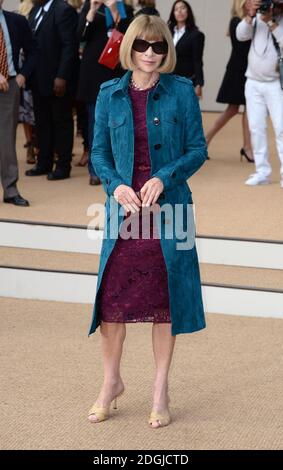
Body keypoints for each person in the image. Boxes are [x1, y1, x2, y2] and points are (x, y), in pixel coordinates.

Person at [87, 14, 207, 428]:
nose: (151, 53)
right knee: (112, 302)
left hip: (170, 209)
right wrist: (116, 185)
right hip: (123, 210)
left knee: (165, 301)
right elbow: (99, 151)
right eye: (142, 45)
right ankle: (111, 383)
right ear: (130, 47)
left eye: (158, 46)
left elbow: (197, 150)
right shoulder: (109, 93)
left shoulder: (181, 92)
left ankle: (160, 389)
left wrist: (162, 176)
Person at [77, 0, 134, 185]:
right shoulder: (90, 7)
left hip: (119, 72)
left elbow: (130, 39)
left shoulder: (127, 9)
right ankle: (95, 170)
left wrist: (114, 10)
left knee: (121, 123)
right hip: (94, 73)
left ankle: (120, 169)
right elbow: (79, 36)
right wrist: (92, 11)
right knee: (96, 123)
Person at [26, 0, 79, 181]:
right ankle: (44, 163)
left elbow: (69, 45)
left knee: (61, 123)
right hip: (38, 80)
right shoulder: (35, 11)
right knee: (42, 123)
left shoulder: (63, 10)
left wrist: (62, 76)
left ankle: (63, 166)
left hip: (58, 80)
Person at [237, 0, 283, 186]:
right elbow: (240, 35)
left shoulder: (278, 20)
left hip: (275, 84)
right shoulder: (255, 19)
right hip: (253, 82)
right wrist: (251, 15)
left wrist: (271, 22)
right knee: (256, 128)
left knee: (281, 128)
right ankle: (262, 171)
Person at [206, 0, 254, 163]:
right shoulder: (236, 21)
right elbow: (242, 47)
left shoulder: (255, 19)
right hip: (238, 71)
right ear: (242, 4)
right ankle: (204, 141)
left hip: (250, 71)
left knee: (249, 110)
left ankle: (247, 147)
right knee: (232, 110)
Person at [0, 0, 36, 207]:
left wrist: (23, 75)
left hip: (9, 87)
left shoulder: (17, 21)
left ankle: (10, 190)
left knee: (6, 140)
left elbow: (34, 49)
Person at [168, 0, 205, 99]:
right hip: (167, 78)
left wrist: (199, 84)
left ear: (188, 12)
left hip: (186, 79)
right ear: (173, 13)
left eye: (183, 8)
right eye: (176, 9)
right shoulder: (168, 32)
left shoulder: (196, 35)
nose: (179, 11)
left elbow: (197, 60)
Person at [18, 0, 38, 166]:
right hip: (22, 76)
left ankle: (36, 145)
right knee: (26, 113)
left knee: (32, 113)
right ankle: (31, 145)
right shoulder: (24, 13)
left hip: (32, 74)